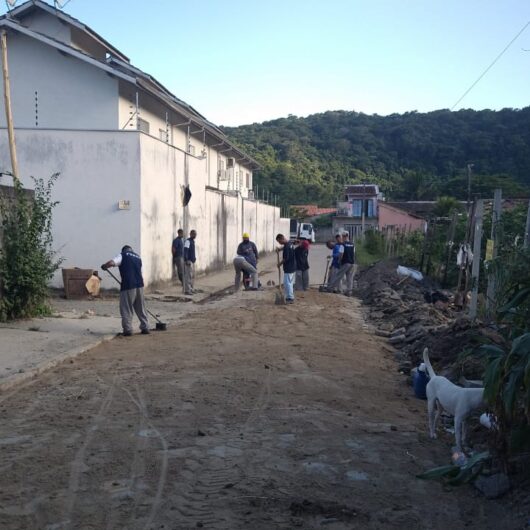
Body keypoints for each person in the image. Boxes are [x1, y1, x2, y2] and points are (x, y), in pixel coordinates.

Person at [101, 245, 149, 336]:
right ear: (131, 250)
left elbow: (112, 262)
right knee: (141, 307)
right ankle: (145, 327)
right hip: (140, 285)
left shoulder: (123, 255)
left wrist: (105, 266)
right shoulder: (138, 257)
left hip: (128, 285)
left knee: (126, 307)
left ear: (123, 250)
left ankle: (128, 329)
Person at [276, 233, 296, 304]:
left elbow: (286, 258)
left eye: (279, 241)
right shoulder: (289, 243)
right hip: (292, 266)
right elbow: (285, 247)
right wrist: (280, 249)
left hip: (289, 267)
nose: (279, 243)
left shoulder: (287, 246)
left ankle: (290, 298)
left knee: (288, 283)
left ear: (281, 239)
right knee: (287, 282)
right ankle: (288, 297)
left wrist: (279, 264)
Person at [183, 229, 197, 295]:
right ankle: (187, 290)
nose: (195, 235)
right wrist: (186, 260)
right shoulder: (188, 241)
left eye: (195, 234)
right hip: (188, 261)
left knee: (191, 276)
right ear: (190, 234)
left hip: (192, 261)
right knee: (188, 276)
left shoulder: (192, 241)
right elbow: (185, 251)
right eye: (194, 234)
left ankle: (191, 288)